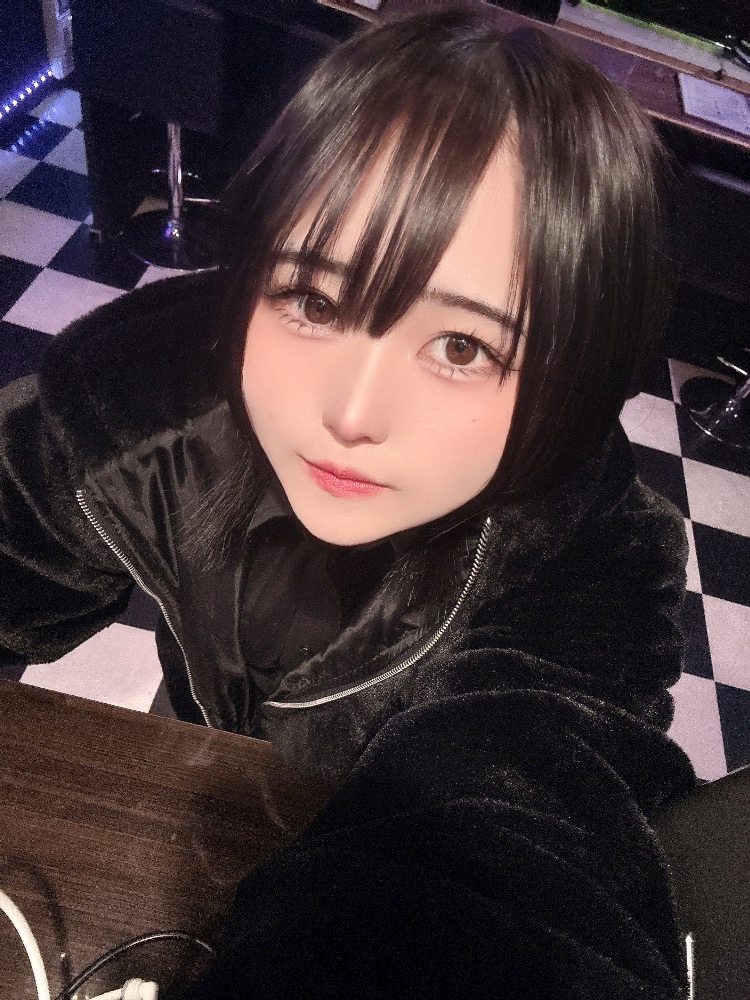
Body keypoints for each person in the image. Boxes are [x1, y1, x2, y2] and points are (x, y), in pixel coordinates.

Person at [0, 6, 696, 997]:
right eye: (317, 300)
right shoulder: (149, 388)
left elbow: (514, 858)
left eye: (462, 346)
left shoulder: (590, 567)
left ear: (576, 374)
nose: (351, 413)